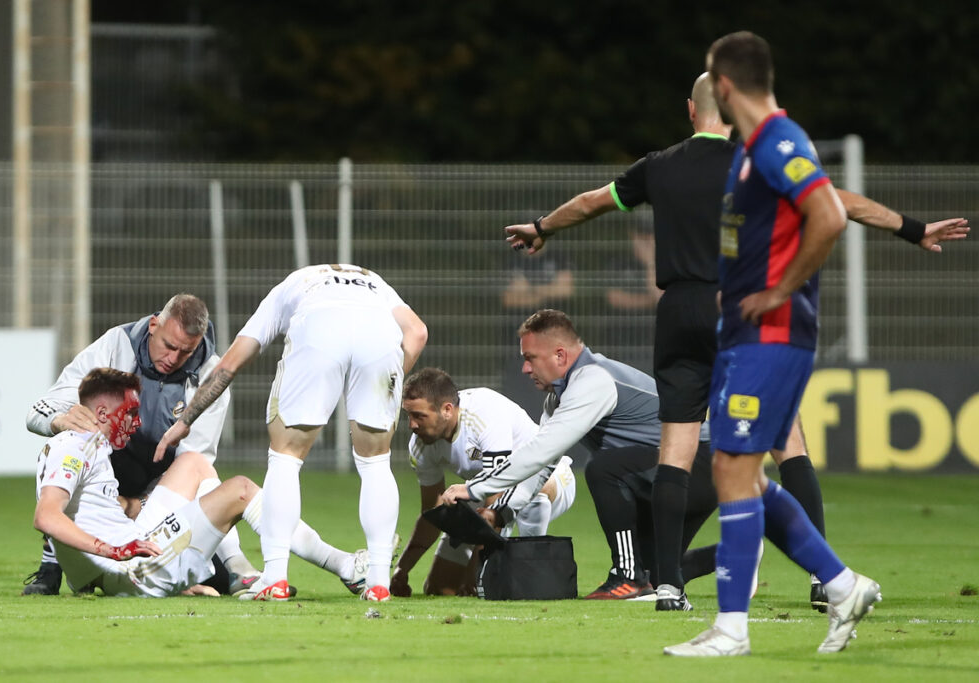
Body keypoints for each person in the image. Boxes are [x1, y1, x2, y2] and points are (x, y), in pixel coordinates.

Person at [504, 73, 969, 613]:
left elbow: (589, 202)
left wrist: (542, 227)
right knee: (786, 441)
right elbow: (837, 202)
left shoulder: (657, 166)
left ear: (689, 110)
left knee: (676, 449)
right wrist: (914, 229)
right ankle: (822, 579)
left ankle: (671, 585)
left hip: (677, 311)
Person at [664, 31, 881, 656]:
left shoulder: (780, 142)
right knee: (745, 474)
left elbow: (829, 214)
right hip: (746, 331)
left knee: (733, 467)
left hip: (773, 334)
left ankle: (731, 627)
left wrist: (779, 290)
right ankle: (842, 585)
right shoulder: (752, 149)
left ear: (724, 86)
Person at [24, 293, 361, 598]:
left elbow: (195, 464)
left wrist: (138, 506)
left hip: (146, 493)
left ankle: (233, 568)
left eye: (185, 351)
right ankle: (321, 565)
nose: (174, 358)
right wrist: (58, 420)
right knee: (240, 490)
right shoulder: (113, 351)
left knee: (196, 465)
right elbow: (43, 416)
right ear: (154, 325)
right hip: (120, 543)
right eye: (169, 346)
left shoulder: (210, 378)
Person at [155, 264, 428, 603]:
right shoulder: (375, 282)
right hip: (380, 339)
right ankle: (377, 582)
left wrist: (184, 422)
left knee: (286, 454)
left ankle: (275, 578)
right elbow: (416, 333)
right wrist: (382, 383)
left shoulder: (292, 286)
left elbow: (229, 364)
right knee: (375, 461)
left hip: (318, 328)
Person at [439, 309, 720, 600]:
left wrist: (474, 488)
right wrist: (503, 511)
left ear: (560, 356)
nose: (525, 368)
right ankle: (733, 557)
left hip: (699, 464)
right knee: (658, 574)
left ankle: (627, 576)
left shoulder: (592, 381)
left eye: (530, 358)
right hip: (667, 473)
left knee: (603, 469)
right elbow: (543, 466)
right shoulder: (560, 397)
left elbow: (541, 451)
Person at [390, 367, 576, 597]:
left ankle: (532, 559)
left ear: (447, 410)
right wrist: (402, 569)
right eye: (409, 415)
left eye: (419, 416)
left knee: (521, 495)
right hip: (482, 498)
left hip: (552, 479)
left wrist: (475, 573)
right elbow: (432, 512)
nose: (412, 425)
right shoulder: (421, 445)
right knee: (439, 589)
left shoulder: (486, 413)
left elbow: (496, 496)